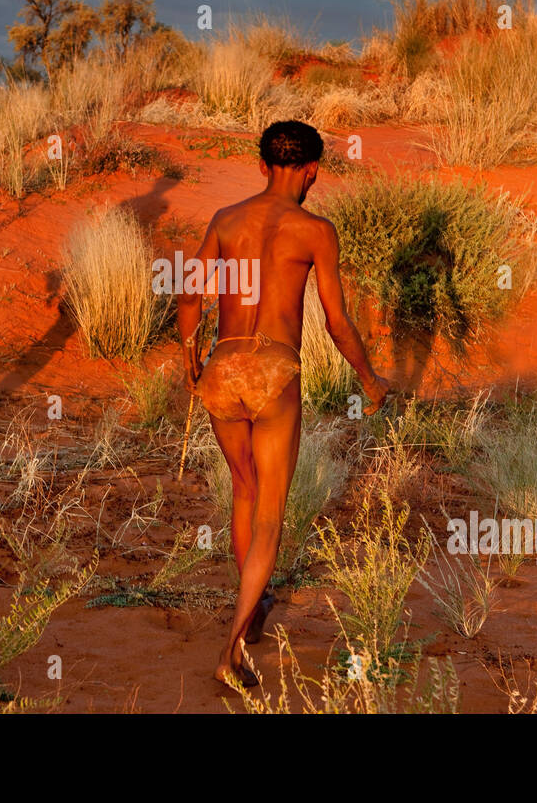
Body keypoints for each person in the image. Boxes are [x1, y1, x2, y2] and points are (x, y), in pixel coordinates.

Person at [177, 119, 391, 687]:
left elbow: (191, 295)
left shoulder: (227, 220)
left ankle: (249, 620)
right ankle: (230, 652)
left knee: (243, 493)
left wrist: (189, 357)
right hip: (273, 367)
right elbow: (337, 321)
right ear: (312, 169)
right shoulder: (315, 229)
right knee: (270, 514)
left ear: (263, 165)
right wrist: (369, 378)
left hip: (223, 367)